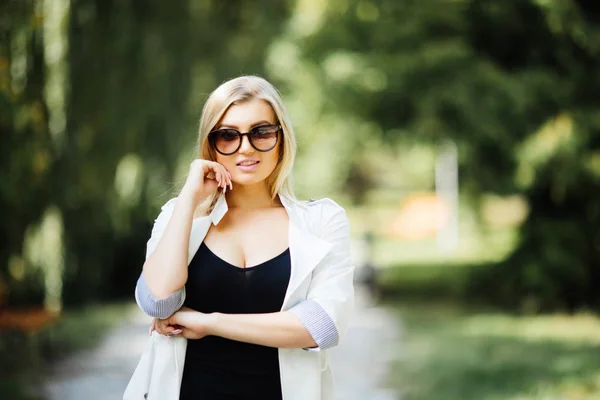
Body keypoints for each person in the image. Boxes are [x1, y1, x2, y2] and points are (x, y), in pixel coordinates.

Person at [135, 75, 354, 400]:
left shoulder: (322, 221)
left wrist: (210, 323)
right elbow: (159, 301)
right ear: (211, 144)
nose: (246, 147)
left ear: (281, 138)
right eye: (227, 136)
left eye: (261, 132)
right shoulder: (179, 215)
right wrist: (188, 200)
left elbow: (320, 326)